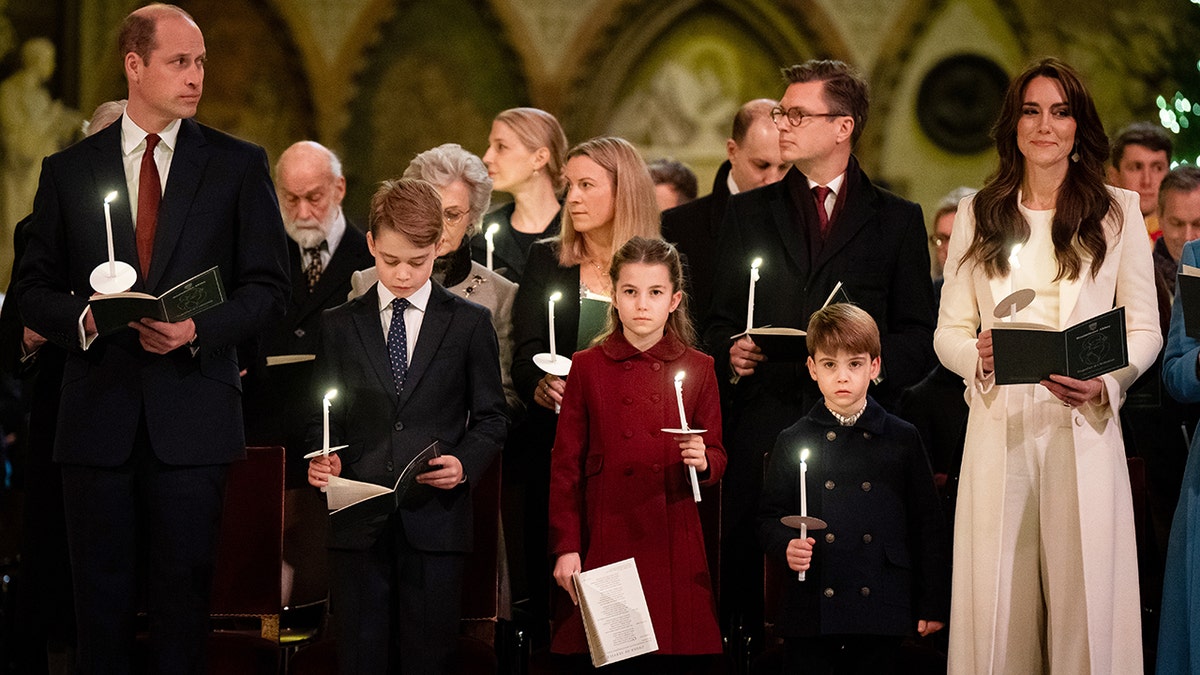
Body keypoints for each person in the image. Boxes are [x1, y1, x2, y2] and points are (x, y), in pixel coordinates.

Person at [13, 5, 291, 672]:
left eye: (200, 62)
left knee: (183, 612)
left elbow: (269, 289)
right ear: (134, 66)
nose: (196, 77)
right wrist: (83, 318)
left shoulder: (236, 164)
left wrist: (197, 328)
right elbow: (30, 290)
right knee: (98, 619)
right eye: (179, 62)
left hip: (193, 417)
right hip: (95, 419)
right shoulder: (68, 170)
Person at [935, 57, 1160, 674]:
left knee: (1086, 605)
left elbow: (1144, 327)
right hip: (999, 424)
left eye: (1060, 112)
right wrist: (976, 356)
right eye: (1032, 111)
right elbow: (949, 332)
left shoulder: (1117, 211)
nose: (1045, 125)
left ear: (1077, 125)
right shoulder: (981, 212)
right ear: (1013, 124)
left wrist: (1108, 381)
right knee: (998, 606)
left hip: (1082, 421)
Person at [703, 60, 936, 645]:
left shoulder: (897, 219)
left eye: (797, 114)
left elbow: (915, 332)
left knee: (857, 603)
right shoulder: (748, 212)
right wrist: (732, 354)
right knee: (763, 603)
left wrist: (863, 377)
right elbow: (718, 321)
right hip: (769, 426)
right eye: (783, 112)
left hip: (863, 439)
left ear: (843, 127)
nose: (783, 123)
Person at [307, 178, 508, 674]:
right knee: (359, 654)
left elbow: (492, 417)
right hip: (356, 521)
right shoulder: (338, 323)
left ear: (438, 246)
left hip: (435, 520)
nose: (401, 274)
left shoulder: (468, 323)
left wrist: (464, 462)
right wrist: (320, 455)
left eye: (416, 263)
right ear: (371, 243)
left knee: (428, 657)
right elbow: (321, 416)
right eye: (390, 259)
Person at [548, 236, 725, 673]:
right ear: (614, 295)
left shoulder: (699, 367)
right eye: (630, 292)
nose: (641, 304)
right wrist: (567, 547)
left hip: (672, 530)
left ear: (674, 300)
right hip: (608, 532)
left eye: (655, 292)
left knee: (670, 653)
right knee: (614, 656)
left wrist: (703, 460)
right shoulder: (587, 366)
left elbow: (718, 454)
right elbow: (565, 464)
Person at [510, 136, 660, 640]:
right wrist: (540, 383)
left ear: (625, 192)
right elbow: (526, 349)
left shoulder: (657, 265)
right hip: (559, 450)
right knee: (560, 600)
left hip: (631, 451)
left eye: (587, 185)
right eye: (569, 185)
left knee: (628, 609)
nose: (571, 197)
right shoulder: (546, 260)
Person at [0, 98, 124, 675]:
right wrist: (46, 328)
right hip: (62, 416)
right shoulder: (40, 227)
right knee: (58, 575)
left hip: (144, 419)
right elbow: (14, 336)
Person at [759, 303, 949, 673]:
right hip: (813, 604)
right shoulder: (792, 438)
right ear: (812, 368)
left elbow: (928, 525)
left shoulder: (902, 437)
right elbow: (767, 518)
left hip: (879, 601)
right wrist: (786, 544)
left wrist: (931, 604)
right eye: (830, 364)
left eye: (855, 364)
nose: (842, 376)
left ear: (875, 366)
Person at [350, 142, 520, 413]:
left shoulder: (500, 294)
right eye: (429, 210)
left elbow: (504, 398)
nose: (439, 226)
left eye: (451, 215)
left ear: (473, 217)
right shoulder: (367, 283)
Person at [242, 140, 373, 486]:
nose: (302, 213)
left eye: (314, 198)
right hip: (266, 433)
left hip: (340, 443)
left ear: (339, 188)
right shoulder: (257, 256)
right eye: (290, 199)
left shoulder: (372, 260)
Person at [661, 98, 788, 325]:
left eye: (784, 167)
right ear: (732, 151)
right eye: (762, 165)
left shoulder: (803, 221)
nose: (773, 180)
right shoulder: (679, 227)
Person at [0, 37, 81, 284]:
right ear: (35, 61)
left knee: (40, 236)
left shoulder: (41, 95)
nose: (53, 65)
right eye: (49, 59)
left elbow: (55, 132)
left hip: (41, 174)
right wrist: (51, 119)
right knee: (13, 235)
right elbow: (19, 144)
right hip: (19, 177)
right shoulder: (9, 92)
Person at [471, 107, 567, 283]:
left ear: (539, 158)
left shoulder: (579, 232)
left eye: (501, 146)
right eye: (490, 146)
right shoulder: (479, 235)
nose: (487, 157)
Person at [1109, 121, 1172, 238]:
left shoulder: (1190, 238)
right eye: (1136, 168)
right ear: (1114, 176)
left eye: (1157, 168)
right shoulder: (1097, 237)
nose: (1147, 181)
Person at [1154, 166, 1200, 296]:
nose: (1187, 237)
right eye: (1177, 224)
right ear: (1160, 218)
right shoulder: (1141, 278)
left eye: (1198, 224)